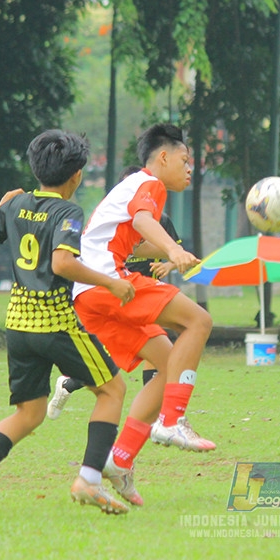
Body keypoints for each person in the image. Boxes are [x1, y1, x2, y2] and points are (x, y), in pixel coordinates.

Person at [0, 130, 135, 518]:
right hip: (54, 322)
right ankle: (88, 479)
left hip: (17, 325)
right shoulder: (68, 212)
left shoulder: (15, 203)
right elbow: (63, 264)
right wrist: (112, 282)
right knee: (113, 389)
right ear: (77, 176)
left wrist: (0, 208)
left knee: (29, 413)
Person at [69, 123, 215, 507]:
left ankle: (119, 461)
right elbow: (142, 222)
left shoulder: (131, 187)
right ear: (163, 157)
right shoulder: (149, 183)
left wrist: (172, 251)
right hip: (110, 284)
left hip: (88, 295)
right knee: (199, 321)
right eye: (185, 160)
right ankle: (172, 422)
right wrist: (172, 248)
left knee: (168, 365)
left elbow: (132, 237)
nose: (189, 168)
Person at [47, 165, 179, 417]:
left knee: (159, 353)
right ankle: (71, 382)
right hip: (114, 289)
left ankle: (157, 415)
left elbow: (173, 247)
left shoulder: (160, 220)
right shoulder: (112, 219)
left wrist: (171, 259)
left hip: (139, 287)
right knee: (115, 359)